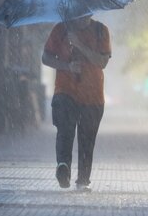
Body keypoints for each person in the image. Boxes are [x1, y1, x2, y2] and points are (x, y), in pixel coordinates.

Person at [42, 15, 111, 192]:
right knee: (65, 131)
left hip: (92, 96)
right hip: (65, 91)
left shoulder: (100, 30)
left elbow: (102, 62)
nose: (82, 15)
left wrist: (80, 44)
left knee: (87, 140)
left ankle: (83, 180)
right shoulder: (61, 29)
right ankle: (63, 167)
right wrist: (67, 66)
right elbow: (46, 58)